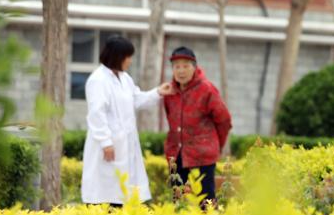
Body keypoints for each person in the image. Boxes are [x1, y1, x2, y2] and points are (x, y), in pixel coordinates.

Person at [82, 36, 174, 205]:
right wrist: (105, 142)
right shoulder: (98, 80)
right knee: (104, 193)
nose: (130, 61)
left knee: (122, 192)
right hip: (108, 146)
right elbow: (97, 114)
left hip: (125, 143)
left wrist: (158, 92)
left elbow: (136, 99)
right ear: (117, 56)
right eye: (128, 56)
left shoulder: (125, 78)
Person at [162, 46, 232, 205]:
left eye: (185, 66)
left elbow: (224, 120)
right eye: (176, 66)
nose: (181, 71)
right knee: (177, 201)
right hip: (176, 155)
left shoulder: (207, 89)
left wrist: (214, 145)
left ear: (194, 67)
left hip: (202, 155)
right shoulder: (170, 92)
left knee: (206, 202)